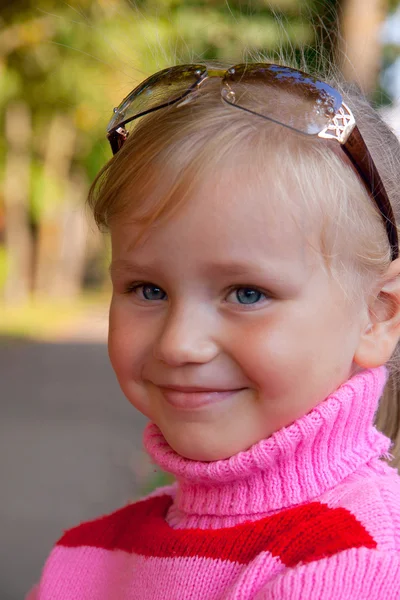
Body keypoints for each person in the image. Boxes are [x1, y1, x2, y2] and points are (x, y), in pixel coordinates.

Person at [27, 61, 400, 599]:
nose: (180, 343)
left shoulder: (356, 559)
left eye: (247, 294)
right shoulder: (85, 557)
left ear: (378, 314)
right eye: (147, 289)